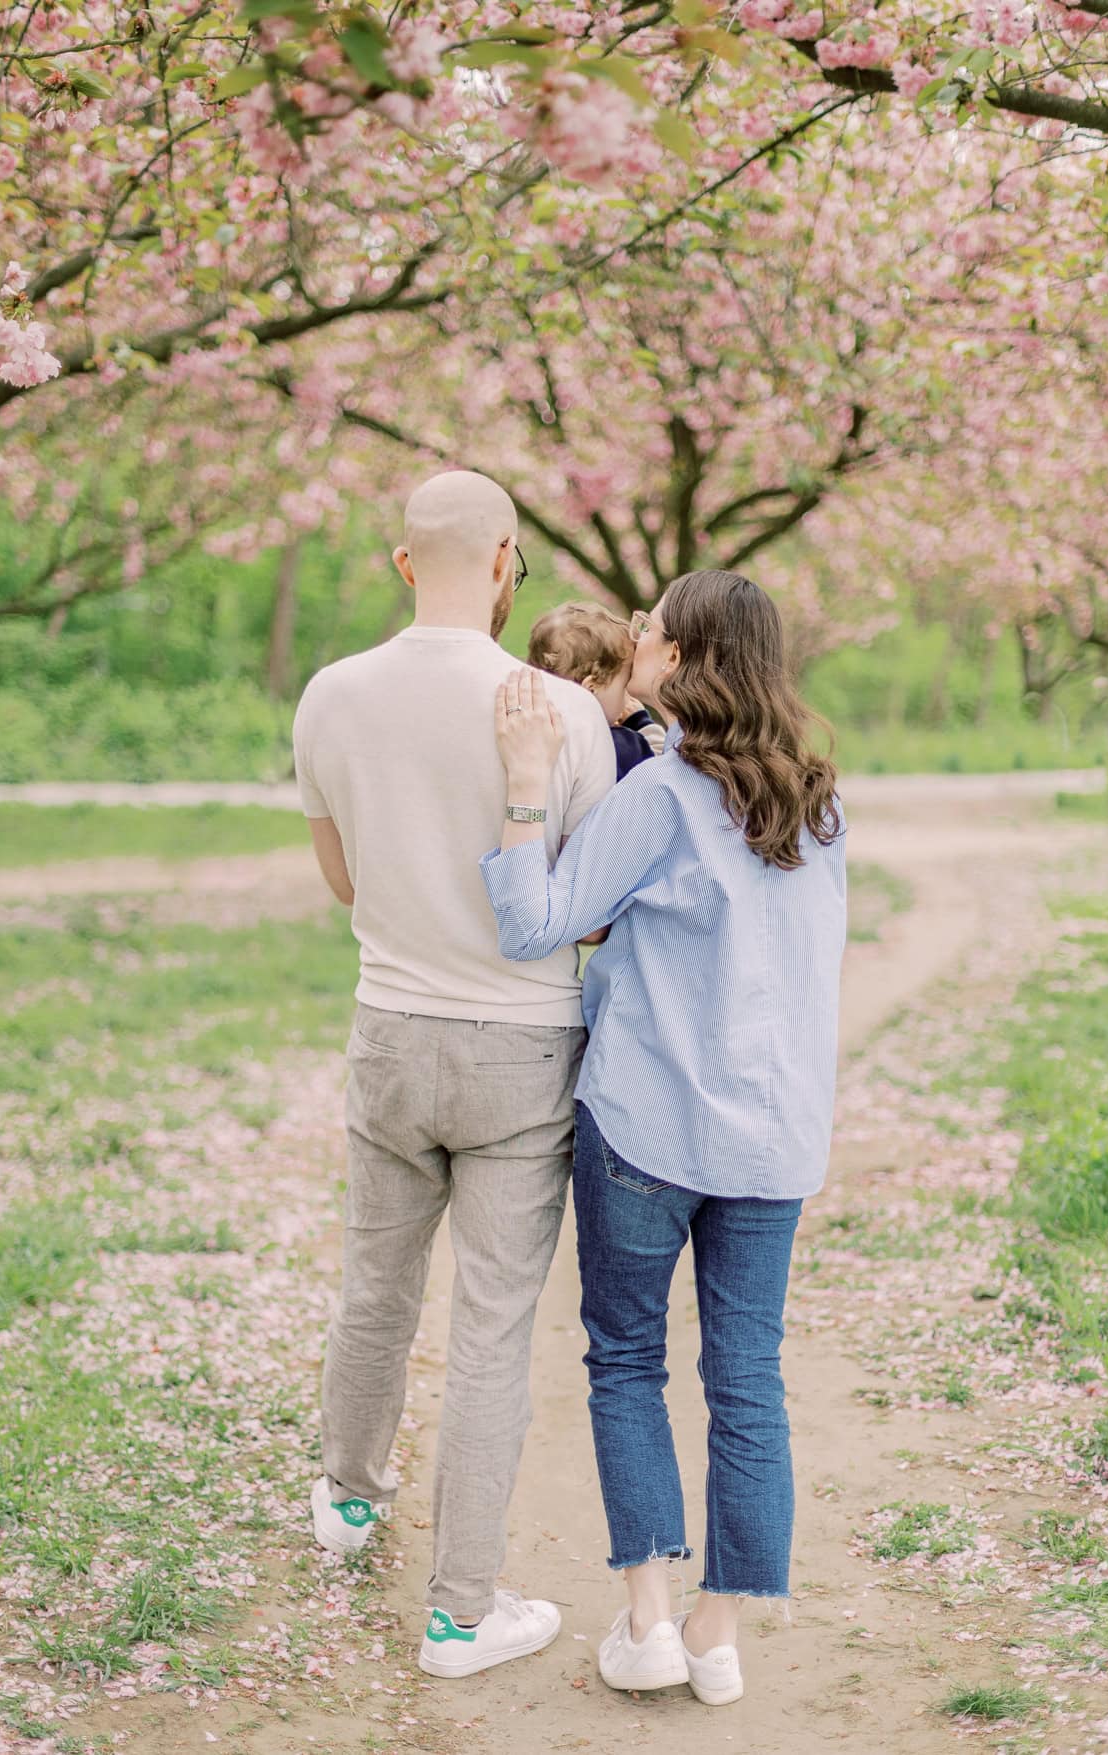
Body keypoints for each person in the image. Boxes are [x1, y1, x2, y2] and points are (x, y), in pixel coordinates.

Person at [479, 569, 846, 1707]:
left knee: (628, 1359)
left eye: (647, 630)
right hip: (773, 1137)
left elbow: (532, 923)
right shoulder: (820, 801)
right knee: (748, 1376)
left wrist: (528, 788)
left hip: (644, 1125)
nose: (632, 640)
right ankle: (718, 1634)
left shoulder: (664, 794)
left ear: (679, 661)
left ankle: (646, 1621)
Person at [292, 470, 615, 1679]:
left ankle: (348, 1497)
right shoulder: (559, 712)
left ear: (399, 561)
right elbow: (576, 905)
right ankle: (460, 1614)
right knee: (489, 1327)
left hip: (390, 1023)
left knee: (374, 1286)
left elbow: (344, 884)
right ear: (504, 564)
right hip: (520, 1047)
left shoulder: (331, 697)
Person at [527, 600, 664, 779]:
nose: (628, 697)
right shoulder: (620, 746)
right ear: (591, 690)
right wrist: (640, 722)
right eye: (624, 687)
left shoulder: (535, 738)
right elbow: (661, 768)